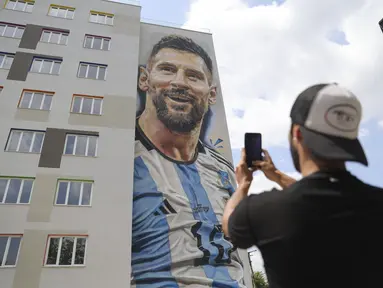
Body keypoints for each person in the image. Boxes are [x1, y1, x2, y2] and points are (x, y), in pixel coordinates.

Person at [223, 83, 383, 288]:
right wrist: (279, 176)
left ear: (297, 133)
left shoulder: (265, 211)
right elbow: (326, 196)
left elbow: (229, 223)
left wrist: (243, 184)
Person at [132, 35, 248, 287]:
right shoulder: (121, 157)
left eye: (193, 76)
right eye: (167, 70)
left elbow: (241, 243)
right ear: (144, 79)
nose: (179, 83)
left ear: (212, 92)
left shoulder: (222, 170)